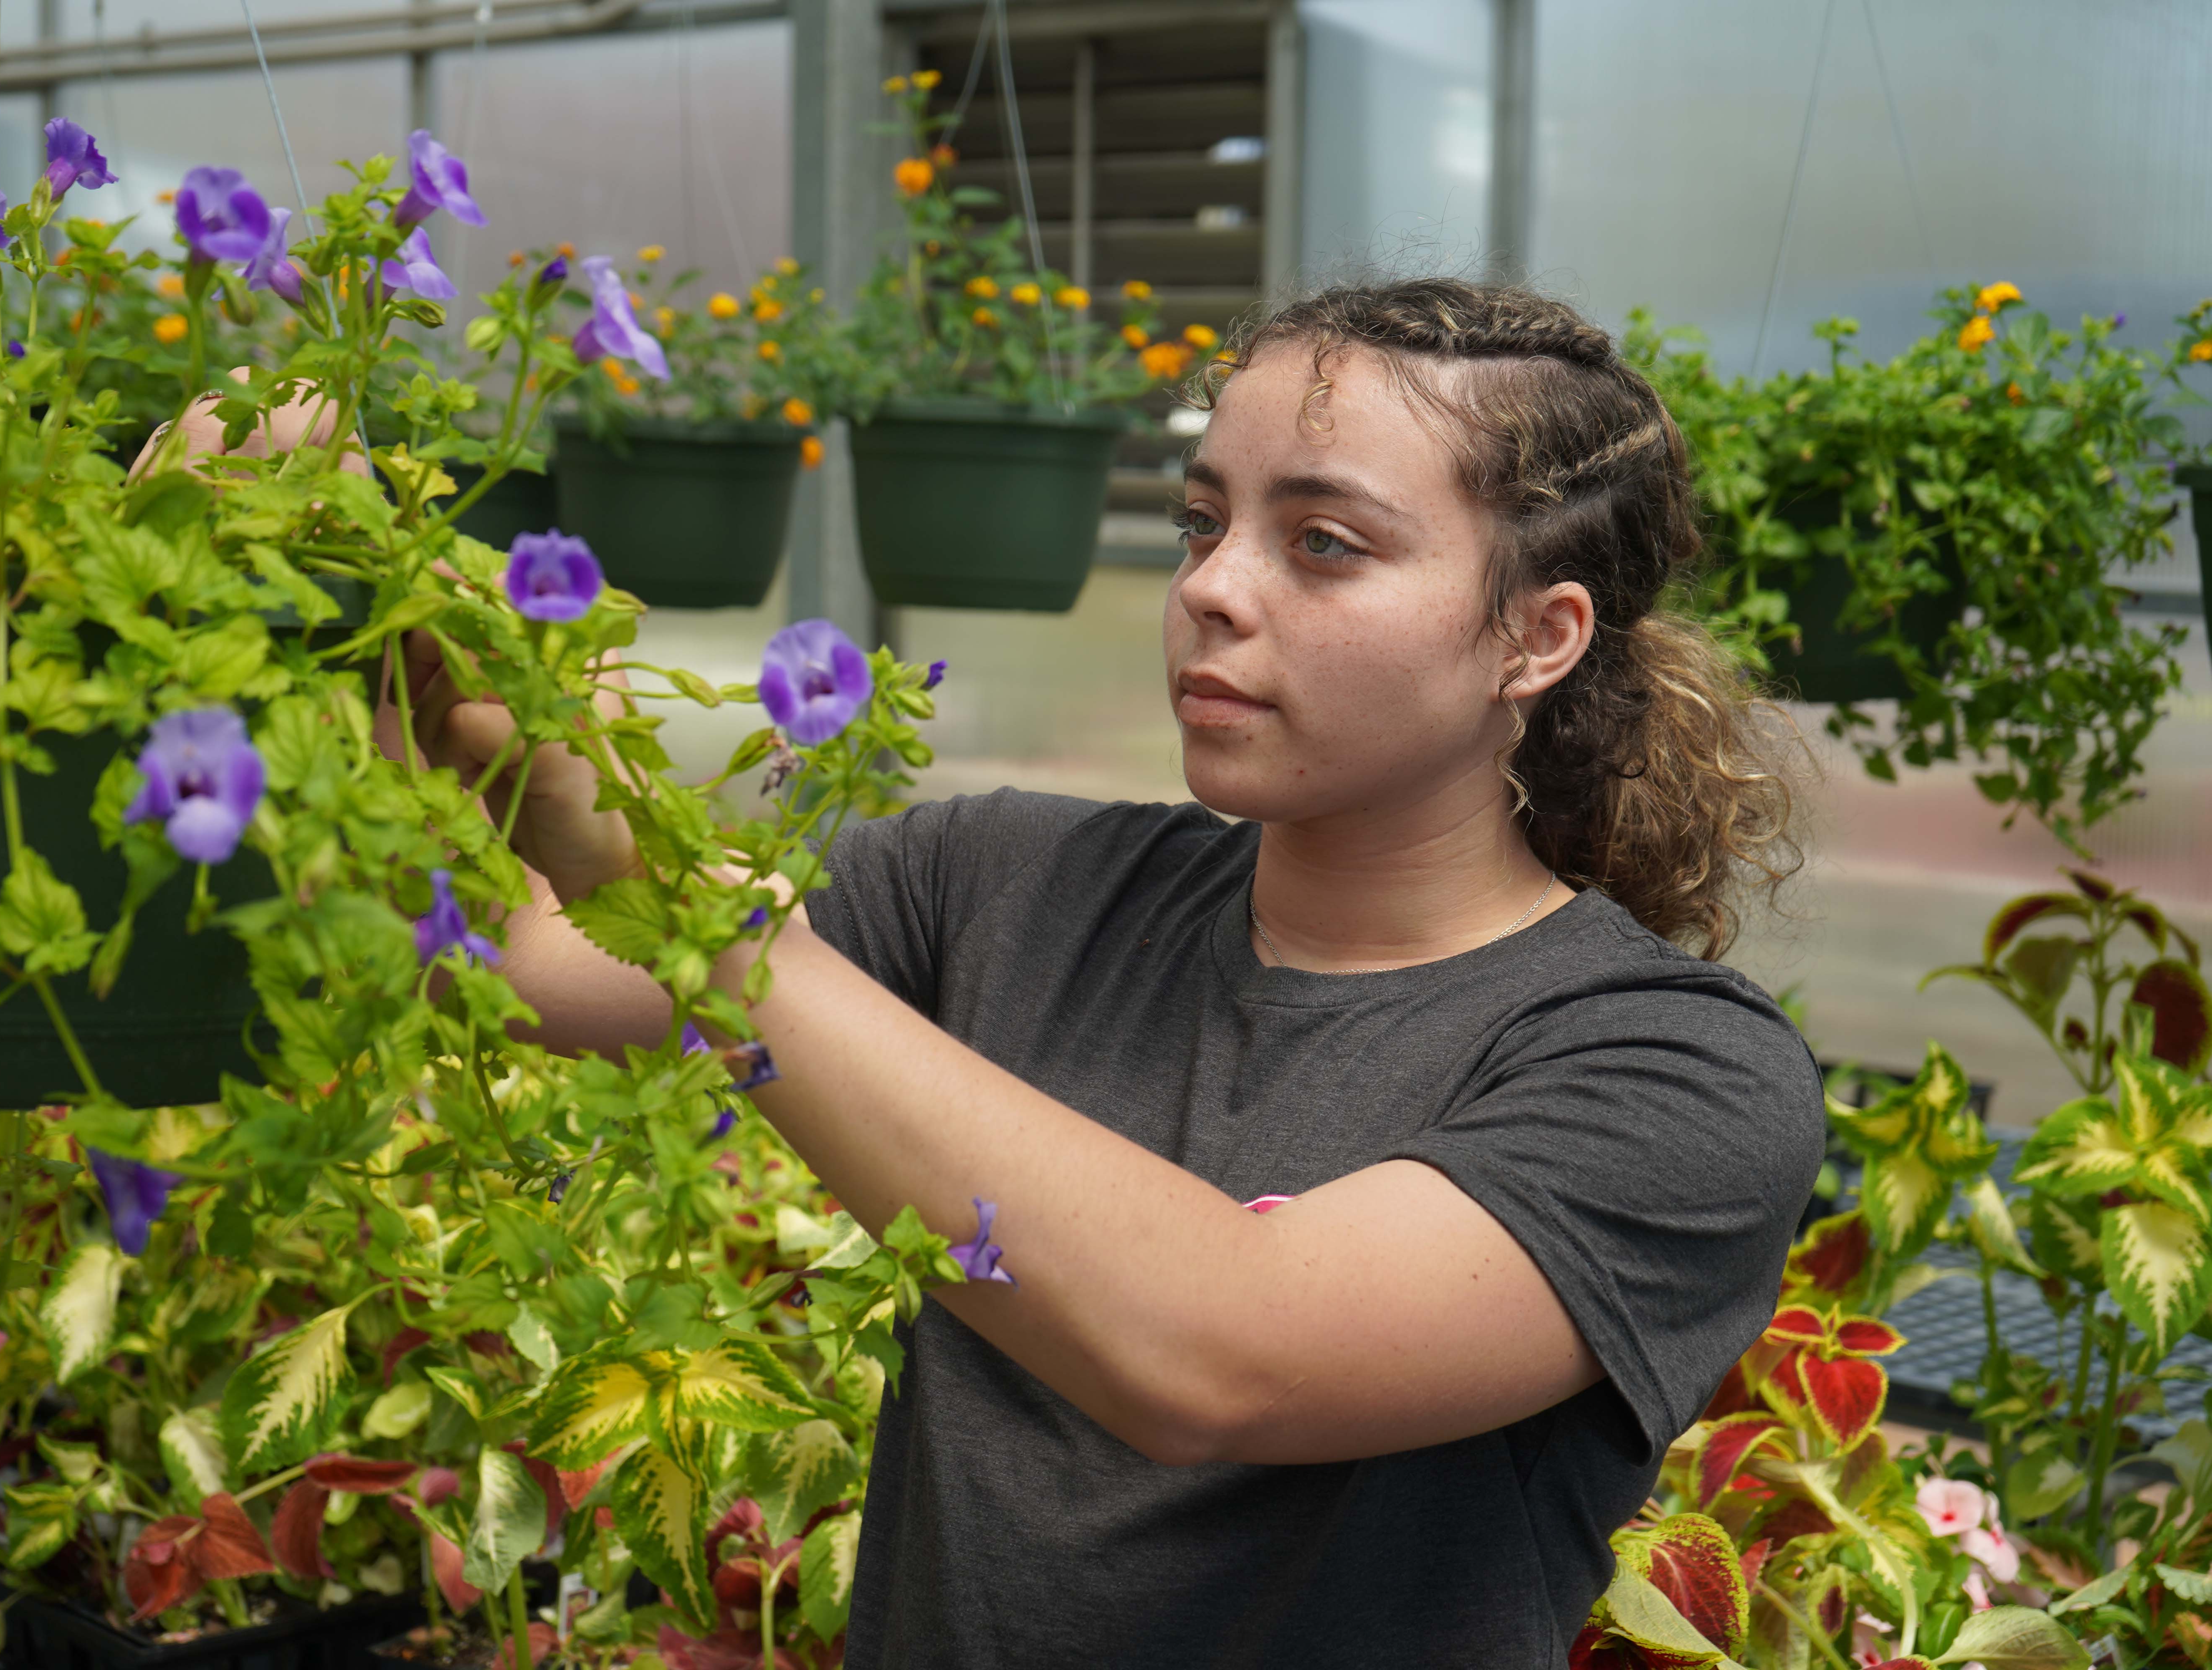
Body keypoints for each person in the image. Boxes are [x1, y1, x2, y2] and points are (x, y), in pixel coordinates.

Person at [386, 277, 1823, 1665]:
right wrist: (378, 611)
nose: (1212, 589)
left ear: (1536, 635)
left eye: (1324, 542)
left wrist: (715, 938)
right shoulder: (1008, 881)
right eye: (1204, 524)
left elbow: (1226, 1350)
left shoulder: (1673, 1073)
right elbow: (521, 970)